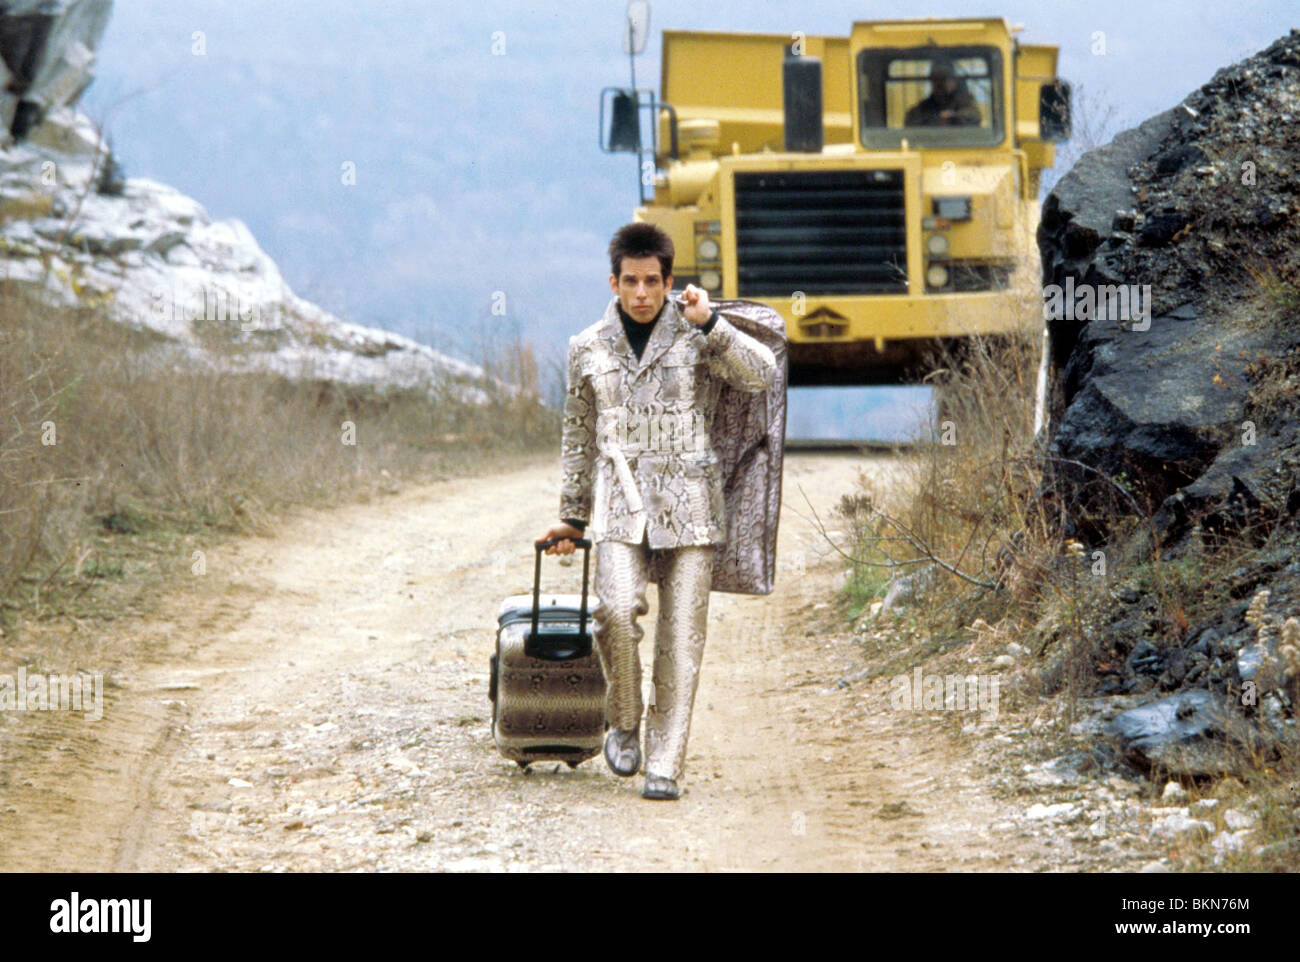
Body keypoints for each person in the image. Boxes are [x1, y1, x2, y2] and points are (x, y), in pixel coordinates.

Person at [537, 222, 777, 800]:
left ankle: (665, 762)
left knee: (681, 639)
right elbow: (579, 435)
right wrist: (572, 516)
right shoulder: (587, 347)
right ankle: (623, 718)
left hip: (692, 505)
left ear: (669, 283)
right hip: (620, 503)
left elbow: (762, 375)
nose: (641, 293)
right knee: (615, 611)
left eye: (652, 282)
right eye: (630, 282)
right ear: (614, 282)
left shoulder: (697, 335)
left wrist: (714, 324)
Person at [903, 60, 982, 127]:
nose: (940, 83)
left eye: (944, 78)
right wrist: (936, 120)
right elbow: (910, 121)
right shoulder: (924, 107)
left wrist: (954, 117)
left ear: (953, 81)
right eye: (936, 79)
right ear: (931, 81)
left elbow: (974, 117)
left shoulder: (964, 102)